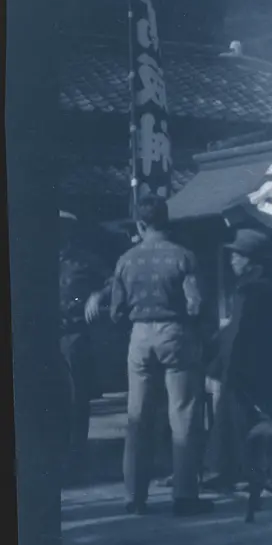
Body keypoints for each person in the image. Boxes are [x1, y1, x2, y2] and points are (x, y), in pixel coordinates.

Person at [109, 196, 209, 516]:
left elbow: (115, 311)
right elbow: (195, 303)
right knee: (183, 413)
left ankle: (135, 497)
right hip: (175, 333)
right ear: (167, 221)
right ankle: (185, 496)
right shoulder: (183, 256)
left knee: (138, 417)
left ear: (140, 225)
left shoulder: (126, 260)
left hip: (139, 336)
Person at [207, 228, 272, 492]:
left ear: (252, 260)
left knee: (244, 421)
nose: (232, 260)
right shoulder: (263, 286)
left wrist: (224, 367)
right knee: (239, 420)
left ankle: (250, 473)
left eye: (238, 255)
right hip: (260, 365)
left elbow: (239, 333)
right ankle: (242, 472)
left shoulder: (252, 289)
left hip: (248, 367)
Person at [58, 210, 112, 484]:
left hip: (74, 337)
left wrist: (98, 295)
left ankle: (75, 462)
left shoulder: (85, 261)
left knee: (76, 399)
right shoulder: (31, 258)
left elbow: (115, 280)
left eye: (62, 227)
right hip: (39, 338)